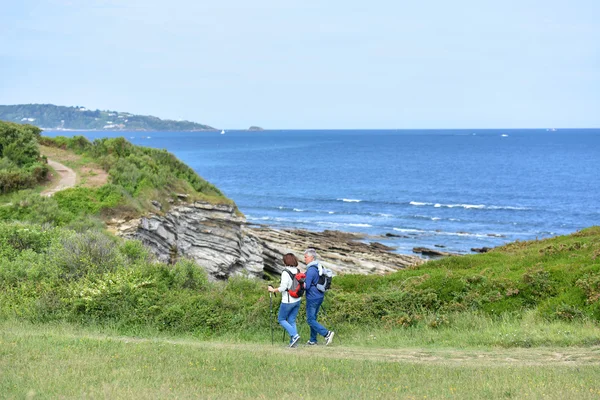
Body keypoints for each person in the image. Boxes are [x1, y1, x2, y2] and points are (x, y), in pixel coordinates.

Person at [268, 253, 302, 348]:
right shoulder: (297, 270)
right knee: (291, 320)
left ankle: (294, 335)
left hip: (288, 300)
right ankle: (294, 342)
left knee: (281, 319)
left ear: (285, 261)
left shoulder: (285, 272)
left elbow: (283, 287)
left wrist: (273, 290)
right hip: (297, 299)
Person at [303, 248, 334, 346]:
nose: (304, 259)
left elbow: (306, 286)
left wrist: (298, 284)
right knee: (313, 318)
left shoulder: (311, 270)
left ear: (312, 257)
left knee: (310, 320)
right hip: (319, 296)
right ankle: (313, 340)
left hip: (312, 297)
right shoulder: (318, 267)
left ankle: (326, 334)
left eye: (306, 257)